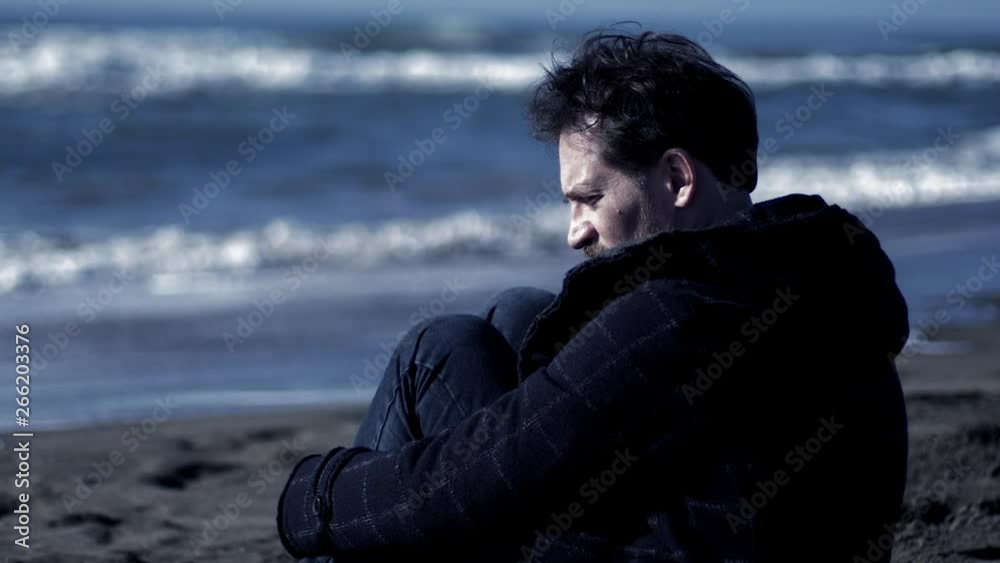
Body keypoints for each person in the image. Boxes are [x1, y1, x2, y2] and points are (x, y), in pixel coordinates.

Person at [277, 28, 909, 563]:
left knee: (436, 350)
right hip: (719, 530)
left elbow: (460, 484)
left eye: (590, 198)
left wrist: (313, 494)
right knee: (520, 315)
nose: (575, 231)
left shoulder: (681, 315)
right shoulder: (807, 262)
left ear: (676, 178)